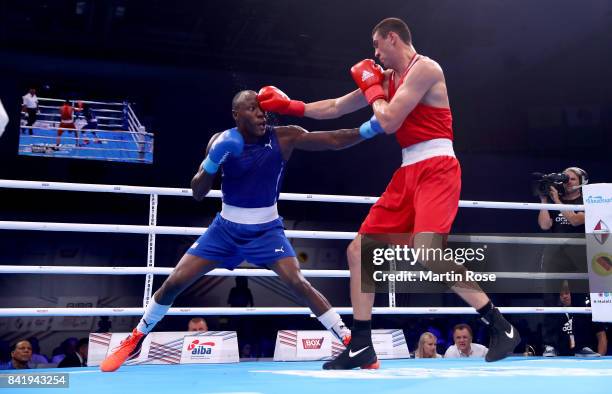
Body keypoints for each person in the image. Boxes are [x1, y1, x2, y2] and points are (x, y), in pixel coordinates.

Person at [258, 17, 520, 369]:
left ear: (392, 38)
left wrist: (373, 90)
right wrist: (292, 106)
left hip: (438, 166)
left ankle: (500, 326)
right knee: (358, 250)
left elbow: (390, 120)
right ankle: (361, 344)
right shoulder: (386, 78)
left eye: (377, 46)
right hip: (408, 170)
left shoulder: (426, 68)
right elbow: (337, 106)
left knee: (428, 249)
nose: (375, 54)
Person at [100, 90, 366, 372]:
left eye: (262, 109)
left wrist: (373, 127)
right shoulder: (220, 141)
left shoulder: (284, 136)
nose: (261, 114)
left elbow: (334, 140)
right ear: (236, 115)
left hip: (266, 231)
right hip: (225, 231)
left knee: (299, 284)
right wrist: (213, 163)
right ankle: (136, 338)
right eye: (252, 109)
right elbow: (198, 193)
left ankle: (351, 340)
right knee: (174, 282)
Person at [537, 167, 588, 355]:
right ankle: (550, 345)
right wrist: (544, 201)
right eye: (565, 178)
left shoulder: (587, 201)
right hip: (555, 255)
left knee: (582, 301)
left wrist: (557, 201)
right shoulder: (554, 200)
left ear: (582, 181)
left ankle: (583, 345)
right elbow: (545, 225)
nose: (568, 181)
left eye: (572, 178)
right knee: (550, 299)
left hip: (579, 255)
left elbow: (575, 220)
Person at [543, 281, 604, 357]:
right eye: (561, 295)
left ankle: (582, 348)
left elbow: (601, 335)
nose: (564, 296)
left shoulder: (585, 312)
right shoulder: (555, 315)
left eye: (567, 293)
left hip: (582, 357)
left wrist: (600, 359)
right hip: (562, 357)